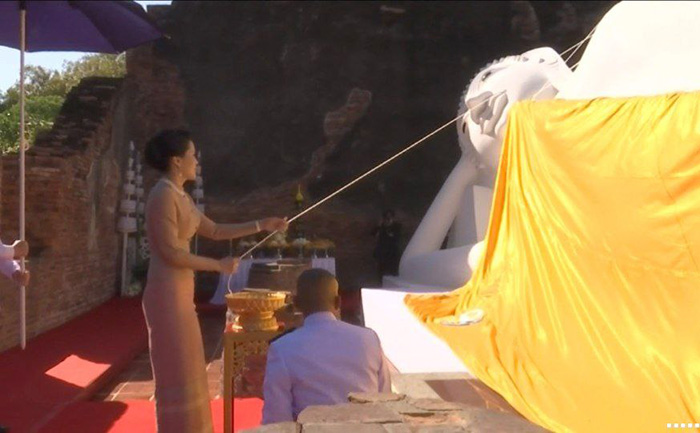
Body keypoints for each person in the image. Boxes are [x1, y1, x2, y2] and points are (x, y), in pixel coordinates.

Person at [143, 129, 288, 432]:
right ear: (176, 161)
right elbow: (170, 252)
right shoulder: (162, 195)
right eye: (191, 155)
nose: (196, 161)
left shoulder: (180, 195)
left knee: (190, 366)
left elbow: (216, 230)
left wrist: (263, 224)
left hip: (181, 291)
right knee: (176, 369)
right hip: (166, 291)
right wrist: (217, 266)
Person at [262, 268, 392, 424]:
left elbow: (277, 420)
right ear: (338, 302)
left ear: (296, 304)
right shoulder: (369, 339)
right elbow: (386, 401)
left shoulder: (283, 349)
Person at [372, 209, 402, 281]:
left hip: (392, 252)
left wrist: (388, 231)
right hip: (382, 252)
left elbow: (396, 236)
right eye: (386, 218)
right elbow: (373, 234)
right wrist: (379, 226)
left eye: (390, 218)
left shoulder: (397, 226)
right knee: (381, 270)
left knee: (393, 270)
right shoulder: (381, 226)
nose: (388, 220)